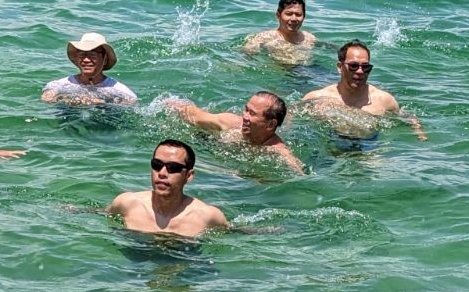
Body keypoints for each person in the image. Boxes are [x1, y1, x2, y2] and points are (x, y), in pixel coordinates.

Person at [301, 40, 427, 140]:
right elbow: (291, 115)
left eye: (365, 67)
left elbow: (405, 116)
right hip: (332, 141)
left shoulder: (383, 100)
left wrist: (419, 132)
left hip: (369, 145)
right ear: (340, 67)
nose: (360, 71)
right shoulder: (318, 97)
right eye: (353, 66)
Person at [104, 140, 229, 238]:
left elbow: (236, 234)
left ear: (189, 176)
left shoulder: (207, 217)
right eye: (157, 165)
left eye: (173, 167)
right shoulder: (127, 204)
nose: (162, 173)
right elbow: (101, 214)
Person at [166, 90, 305, 173]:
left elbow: (297, 170)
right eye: (246, 109)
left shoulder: (276, 151)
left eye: (252, 113)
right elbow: (195, 116)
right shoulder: (229, 123)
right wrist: (170, 105)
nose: (245, 116)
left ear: (271, 124)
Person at [41, 31, 138, 105]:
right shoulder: (62, 84)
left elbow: (132, 103)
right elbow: (46, 98)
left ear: (104, 60)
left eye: (92, 55)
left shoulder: (117, 89)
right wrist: (69, 99)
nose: (86, 59)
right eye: (82, 54)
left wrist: (102, 103)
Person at [243, 0, 318, 60]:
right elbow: (246, 56)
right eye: (288, 14)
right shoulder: (264, 38)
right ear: (278, 15)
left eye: (298, 14)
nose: (294, 19)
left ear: (304, 17)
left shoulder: (309, 38)